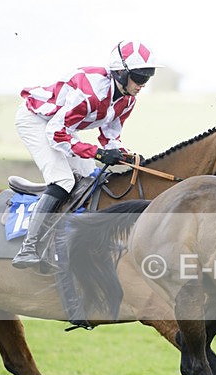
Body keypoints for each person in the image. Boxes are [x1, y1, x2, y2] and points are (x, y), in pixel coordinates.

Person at [12, 40, 162, 270]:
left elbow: (110, 137)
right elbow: (56, 134)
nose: (143, 84)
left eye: (147, 77)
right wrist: (99, 154)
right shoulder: (90, 93)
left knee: (93, 179)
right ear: (120, 73)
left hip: (62, 127)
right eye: (139, 77)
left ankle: (69, 240)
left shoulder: (127, 100)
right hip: (36, 120)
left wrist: (125, 155)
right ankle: (28, 248)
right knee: (63, 180)